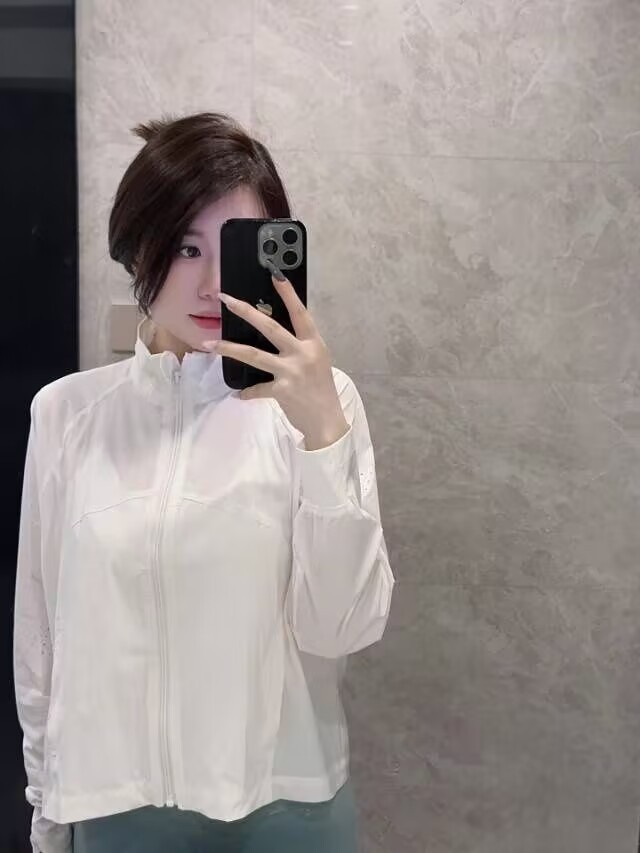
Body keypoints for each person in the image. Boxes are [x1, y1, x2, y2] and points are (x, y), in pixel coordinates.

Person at [13, 112, 395, 853]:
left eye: (236, 249)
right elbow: (42, 632)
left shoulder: (324, 404)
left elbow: (345, 627)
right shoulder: (67, 415)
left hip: (289, 807)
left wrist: (323, 433)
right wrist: (46, 811)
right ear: (138, 246)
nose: (215, 284)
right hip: (121, 803)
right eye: (187, 247)